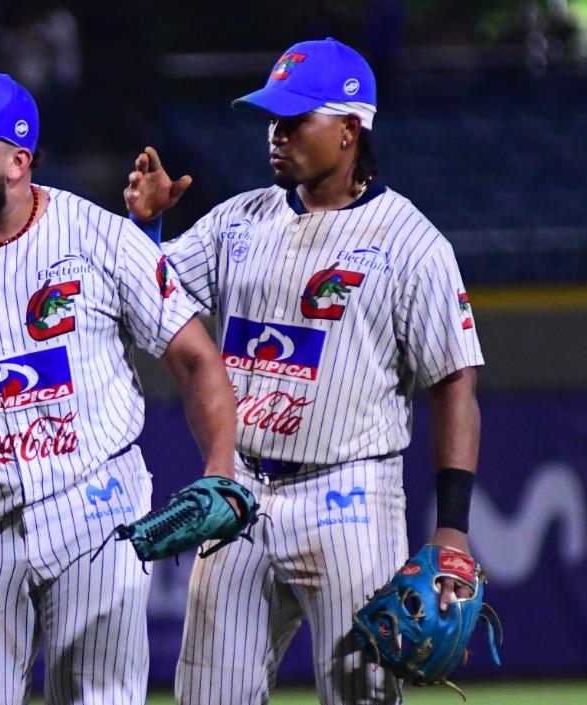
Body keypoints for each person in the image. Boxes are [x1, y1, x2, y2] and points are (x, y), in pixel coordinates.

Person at [122, 38, 485, 704]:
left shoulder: (411, 243)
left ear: (349, 129)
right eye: (271, 117)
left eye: (294, 119)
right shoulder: (236, 222)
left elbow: (453, 383)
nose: (275, 133)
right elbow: (144, 304)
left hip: (349, 495)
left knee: (359, 696)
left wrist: (452, 525)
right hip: (238, 493)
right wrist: (145, 229)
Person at [0, 71, 235, 704]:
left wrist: (220, 469)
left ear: (18, 160)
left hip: (93, 506)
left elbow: (197, 359)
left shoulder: (100, 238)